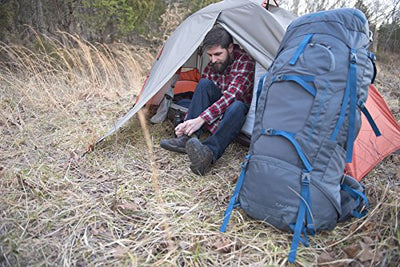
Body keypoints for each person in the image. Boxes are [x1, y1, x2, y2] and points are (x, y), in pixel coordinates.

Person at [160, 25, 255, 175]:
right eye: (210, 55)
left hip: (236, 113)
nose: (213, 59)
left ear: (230, 48)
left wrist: (201, 119)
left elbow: (231, 97)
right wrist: (189, 123)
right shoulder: (213, 64)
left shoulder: (245, 61)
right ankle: (187, 137)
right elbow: (205, 97)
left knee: (237, 106)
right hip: (217, 112)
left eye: (217, 54)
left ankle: (208, 154)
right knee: (203, 84)